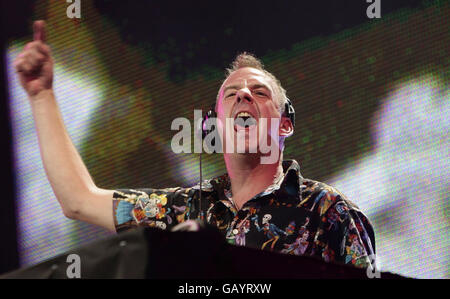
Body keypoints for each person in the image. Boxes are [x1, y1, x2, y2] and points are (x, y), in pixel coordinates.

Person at [14, 20, 376, 269]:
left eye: (259, 94)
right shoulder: (181, 209)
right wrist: (42, 95)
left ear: (284, 123)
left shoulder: (331, 213)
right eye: (233, 96)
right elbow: (78, 201)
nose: (244, 100)